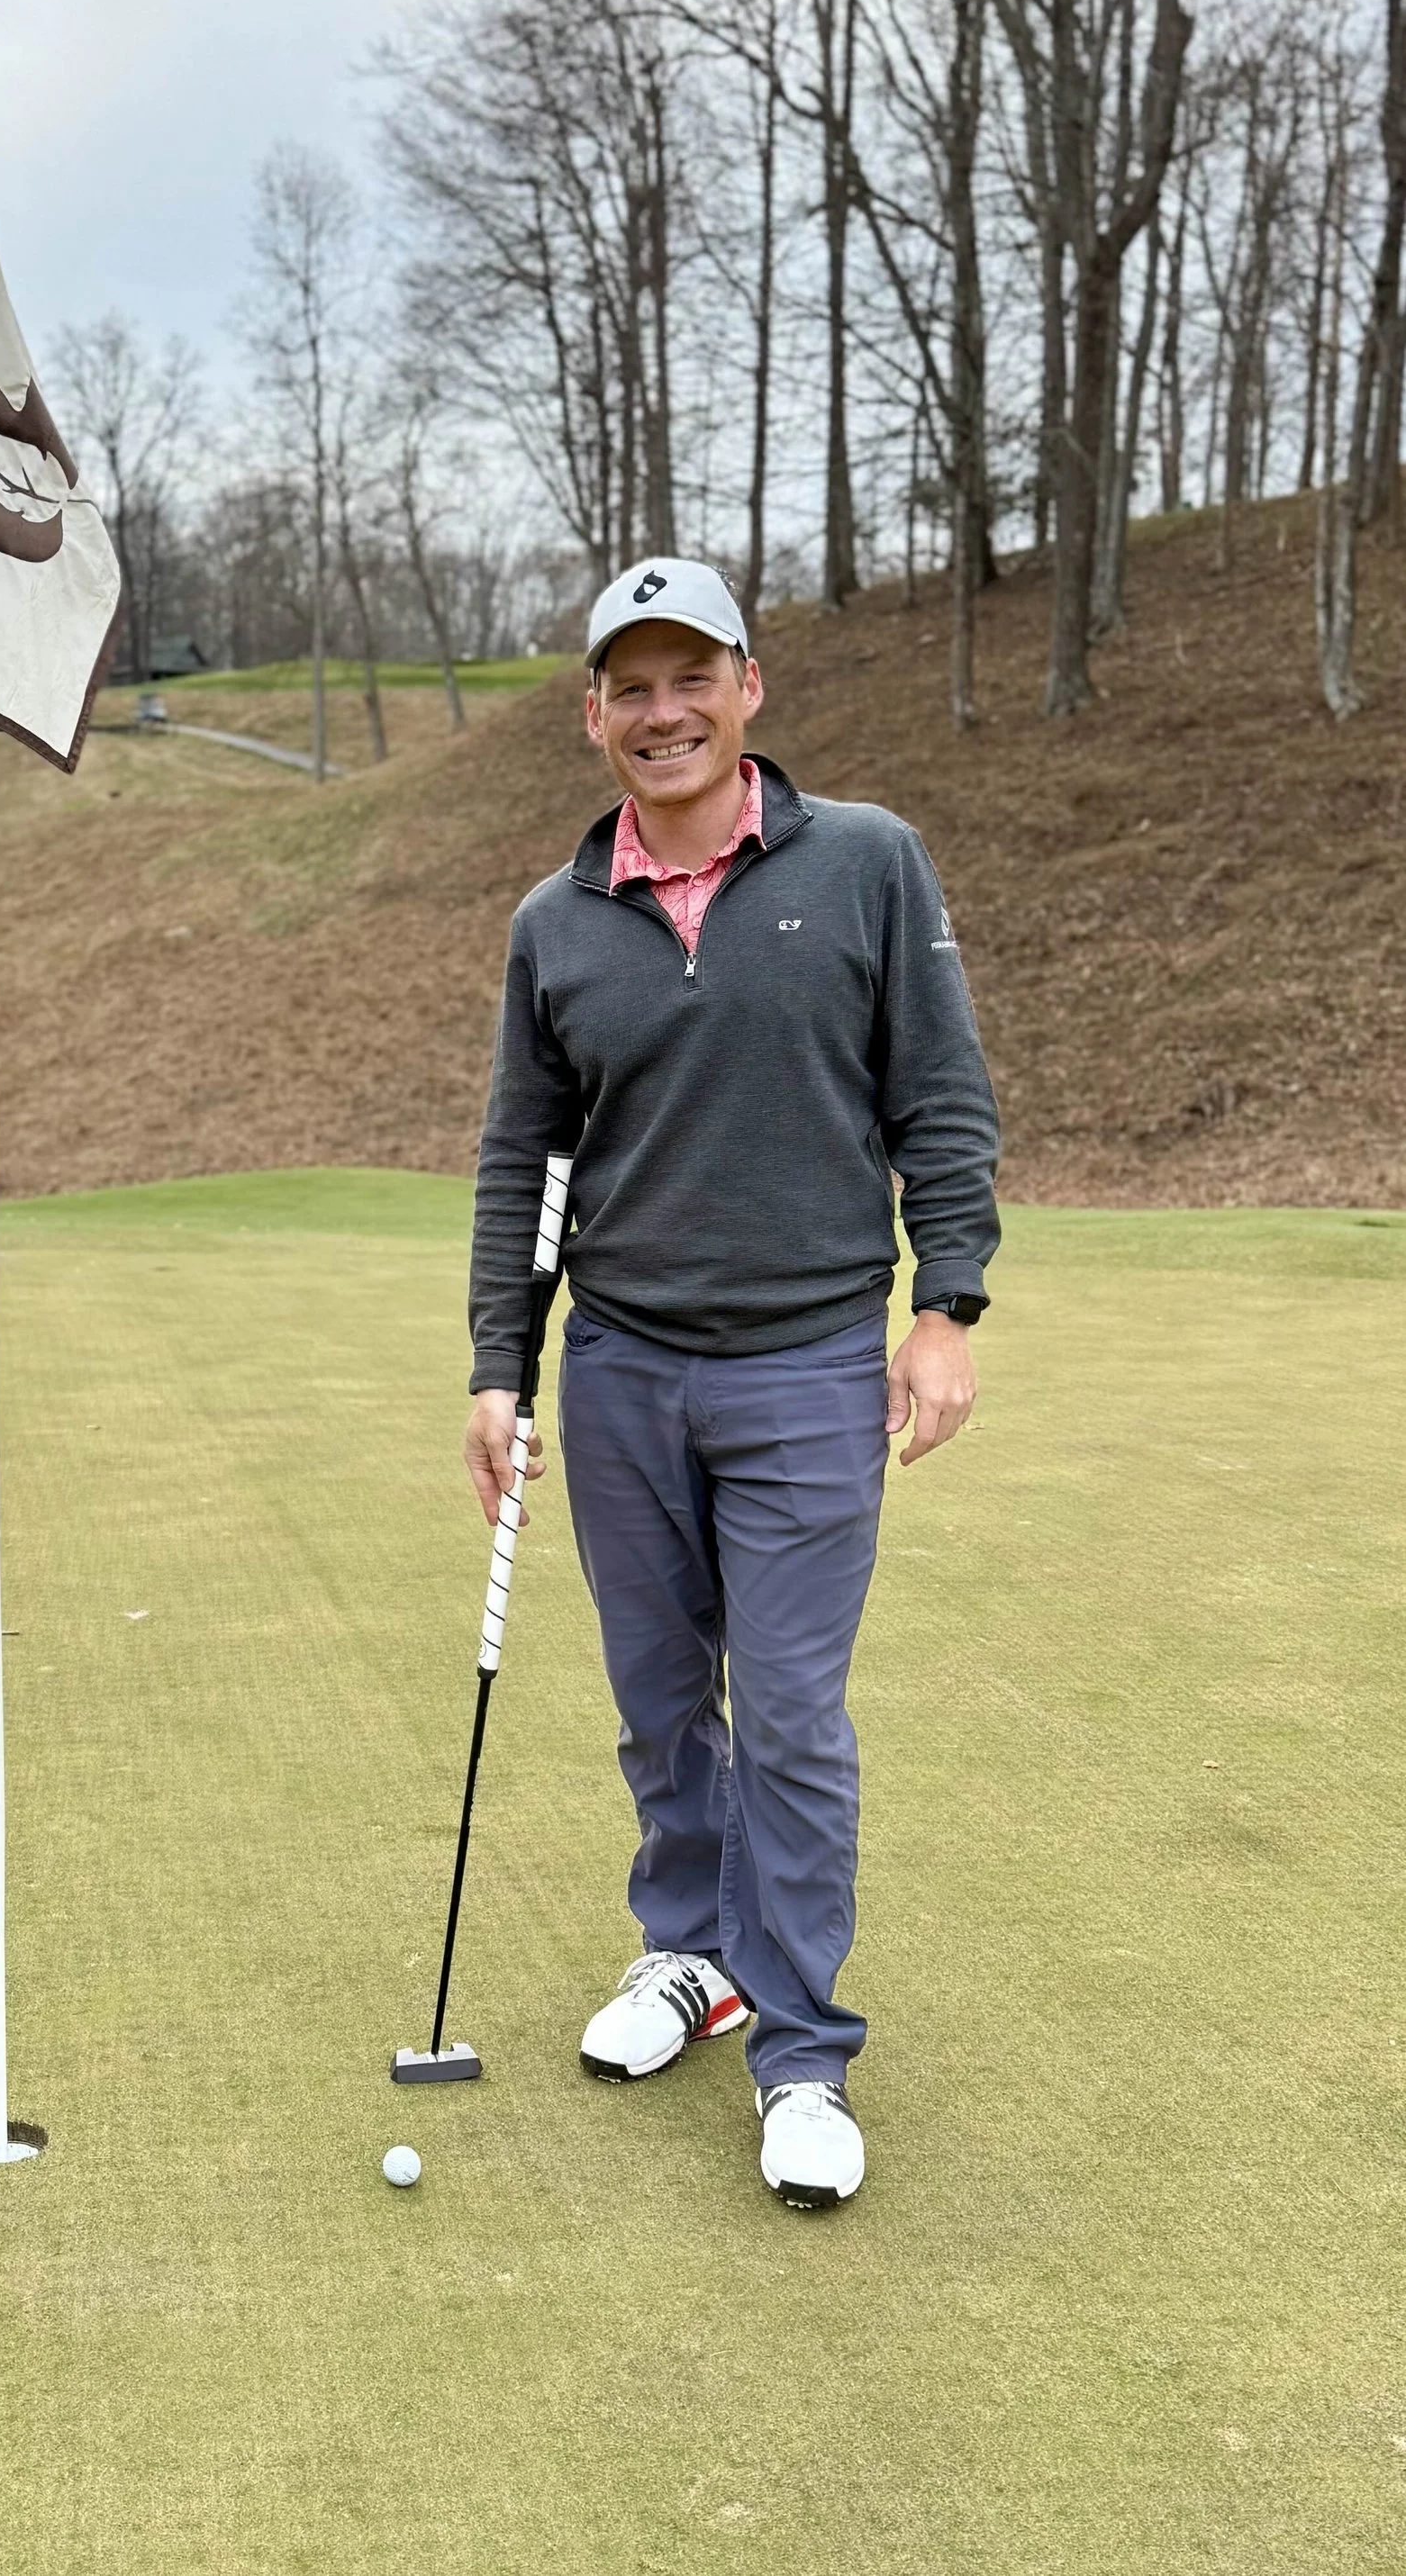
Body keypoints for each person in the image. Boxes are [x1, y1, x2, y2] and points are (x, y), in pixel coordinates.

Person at [464, 556, 999, 2208]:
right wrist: (502, 1361)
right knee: (655, 1694)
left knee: (785, 1705)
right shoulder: (556, 926)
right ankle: (686, 1954)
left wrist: (948, 1304)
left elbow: (942, 1095)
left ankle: (803, 2051)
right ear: (593, 714)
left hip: (805, 1360)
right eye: (630, 685)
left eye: (691, 674)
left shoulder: (866, 865)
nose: (663, 710)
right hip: (621, 1366)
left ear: (748, 686)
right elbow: (520, 1158)